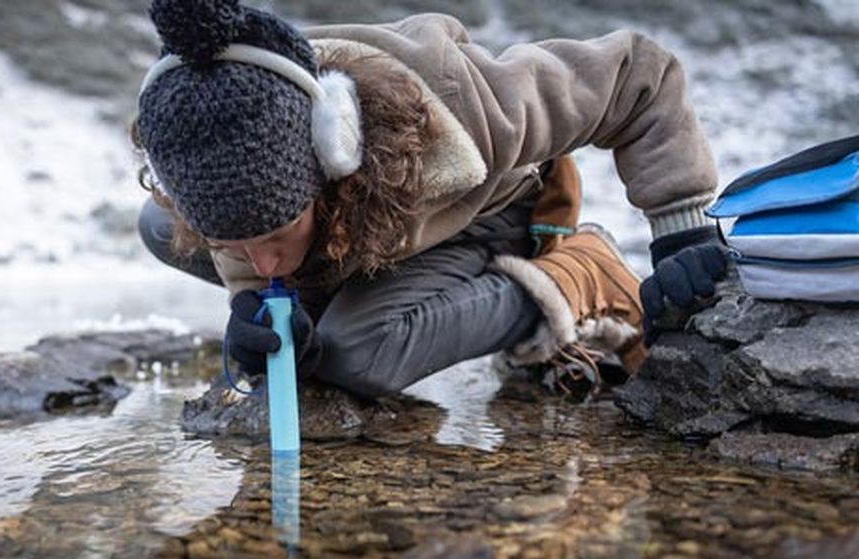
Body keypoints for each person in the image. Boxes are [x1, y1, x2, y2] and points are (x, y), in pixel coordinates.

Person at [132, 0, 728, 399]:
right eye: (232, 243)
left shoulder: (467, 106)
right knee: (158, 228)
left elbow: (637, 76)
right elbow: (245, 233)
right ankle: (305, 270)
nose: (257, 259)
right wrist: (252, 304)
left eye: (272, 238)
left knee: (353, 358)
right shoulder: (230, 127)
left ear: (329, 155)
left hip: (483, 215)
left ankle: (581, 275)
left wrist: (683, 231)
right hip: (351, 227)